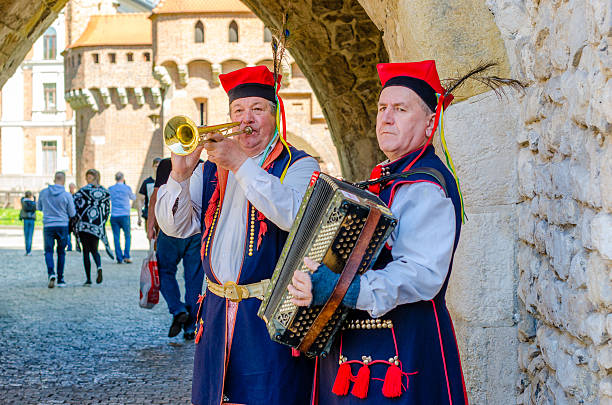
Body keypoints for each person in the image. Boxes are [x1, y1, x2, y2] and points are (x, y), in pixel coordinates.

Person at [289, 61, 468, 404]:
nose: (386, 117)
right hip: (354, 356)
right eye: (382, 108)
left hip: (400, 355)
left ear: (431, 122)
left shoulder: (425, 186)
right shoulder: (385, 180)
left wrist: (341, 288)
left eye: (400, 109)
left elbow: (421, 274)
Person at [155, 65, 320, 405]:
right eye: (238, 111)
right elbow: (175, 227)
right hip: (216, 310)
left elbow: (291, 215)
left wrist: (240, 164)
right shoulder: (212, 168)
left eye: (258, 110)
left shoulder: (300, 165)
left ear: (275, 116)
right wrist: (180, 176)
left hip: (269, 314)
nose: (247, 120)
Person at [150, 157, 204, 340]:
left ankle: (178, 309)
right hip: (196, 229)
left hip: (170, 230)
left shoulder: (166, 164)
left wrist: (151, 225)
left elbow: (156, 196)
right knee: (194, 277)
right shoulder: (202, 163)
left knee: (164, 271)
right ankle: (191, 326)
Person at [37, 171, 76, 288]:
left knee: (48, 251)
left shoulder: (43, 193)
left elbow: (39, 207)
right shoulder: (67, 195)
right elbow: (72, 213)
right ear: (63, 181)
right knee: (61, 252)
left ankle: (51, 273)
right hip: (62, 225)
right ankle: (60, 278)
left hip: (48, 225)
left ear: (54, 179)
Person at [73, 169, 111, 285]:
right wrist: (102, 222)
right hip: (96, 226)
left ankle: (88, 279)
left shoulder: (83, 191)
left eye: (88, 177)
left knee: (86, 252)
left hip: (84, 225)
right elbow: (107, 210)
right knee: (94, 250)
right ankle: (99, 267)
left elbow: (75, 202)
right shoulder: (105, 192)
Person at [108, 171, 136, 264]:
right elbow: (133, 198)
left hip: (114, 215)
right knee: (127, 236)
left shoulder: (111, 189)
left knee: (116, 237)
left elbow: (108, 199)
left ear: (115, 179)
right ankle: (126, 256)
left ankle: (119, 257)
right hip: (125, 215)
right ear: (123, 178)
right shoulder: (127, 188)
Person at [138, 157, 161, 236]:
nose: (157, 168)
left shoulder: (166, 181)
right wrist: (139, 216)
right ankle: (151, 248)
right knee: (150, 235)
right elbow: (140, 200)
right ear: (152, 166)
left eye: (159, 166)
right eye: (156, 166)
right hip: (149, 214)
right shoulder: (147, 182)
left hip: (161, 213)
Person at [19, 191, 36, 256]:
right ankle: (29, 250)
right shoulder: (33, 203)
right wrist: (33, 198)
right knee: (30, 236)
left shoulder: (23, 202)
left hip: (26, 219)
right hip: (32, 219)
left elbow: (22, 199)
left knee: (26, 236)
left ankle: (27, 250)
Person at [66, 183, 77, 251]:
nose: (71, 188)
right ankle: (69, 246)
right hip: (68, 217)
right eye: (70, 187)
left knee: (76, 233)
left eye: (72, 187)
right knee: (68, 233)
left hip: (75, 217)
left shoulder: (76, 196)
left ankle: (77, 246)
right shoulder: (67, 195)